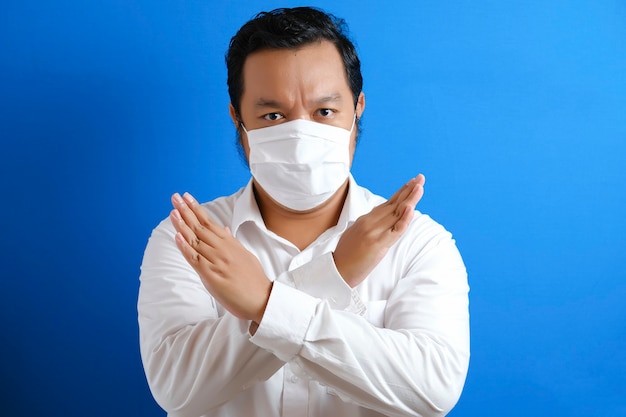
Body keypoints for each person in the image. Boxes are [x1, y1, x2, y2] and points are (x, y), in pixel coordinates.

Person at [138, 6, 469, 417]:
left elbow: (432, 391)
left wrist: (262, 302)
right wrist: (332, 277)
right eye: (273, 115)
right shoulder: (187, 238)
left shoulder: (420, 242)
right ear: (237, 118)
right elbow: (177, 389)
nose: (299, 134)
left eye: (324, 112)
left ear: (357, 108)